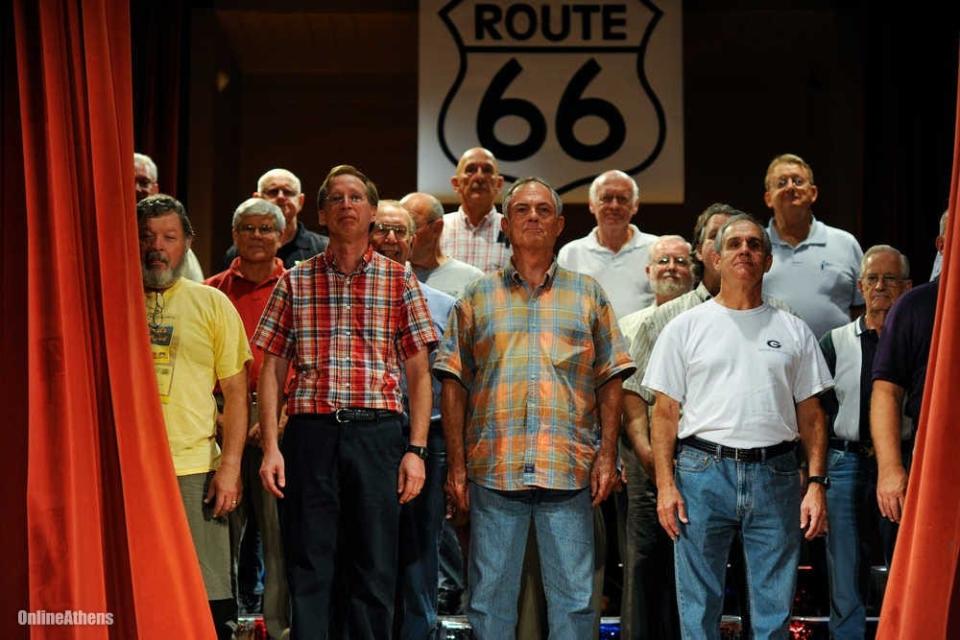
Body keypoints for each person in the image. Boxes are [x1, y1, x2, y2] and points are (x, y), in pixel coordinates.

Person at [434, 177, 635, 639]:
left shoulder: (588, 294)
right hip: (494, 470)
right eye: (522, 210)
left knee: (575, 601)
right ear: (506, 224)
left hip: (567, 471)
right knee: (489, 600)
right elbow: (454, 383)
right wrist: (458, 467)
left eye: (543, 210)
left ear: (560, 224)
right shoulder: (476, 296)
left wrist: (607, 455)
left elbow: (611, 378)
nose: (532, 218)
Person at [253, 165, 438, 639]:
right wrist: (272, 446)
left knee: (374, 566)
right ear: (322, 213)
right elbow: (271, 369)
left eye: (356, 197)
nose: (347, 205)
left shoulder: (400, 281)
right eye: (336, 198)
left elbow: (419, 374)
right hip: (311, 436)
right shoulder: (295, 281)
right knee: (310, 565)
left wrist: (415, 451)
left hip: (378, 436)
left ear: (372, 212)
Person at [644, 214, 832, 640]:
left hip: (777, 473)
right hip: (700, 472)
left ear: (767, 261)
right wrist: (666, 485)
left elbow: (812, 415)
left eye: (754, 245)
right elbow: (664, 413)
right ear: (715, 257)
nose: (744, 251)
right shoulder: (685, 327)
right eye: (734, 245)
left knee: (773, 608)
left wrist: (817, 482)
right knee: (698, 608)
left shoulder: (793, 329)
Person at [139, 194, 251, 639]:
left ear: (187, 241)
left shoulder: (212, 303)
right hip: (130, 470)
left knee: (209, 593)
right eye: (146, 237)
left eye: (168, 237)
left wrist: (229, 468)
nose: (156, 247)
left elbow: (237, 394)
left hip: (194, 469)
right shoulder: (112, 302)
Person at [205, 197, 291, 639]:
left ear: (283, 236)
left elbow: (307, 357)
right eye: (248, 228)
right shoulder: (213, 290)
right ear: (235, 235)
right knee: (222, 530)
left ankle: (277, 628)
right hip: (219, 418)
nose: (257, 237)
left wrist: (280, 415)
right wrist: (222, 417)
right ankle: (219, 625)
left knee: (278, 538)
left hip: (283, 419)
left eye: (266, 229)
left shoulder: (298, 286)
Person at [370, 199, 456, 640]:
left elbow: (459, 382)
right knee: (369, 543)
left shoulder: (443, 305)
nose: (389, 239)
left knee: (422, 547)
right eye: (380, 230)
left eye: (399, 232)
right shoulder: (350, 300)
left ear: (413, 240)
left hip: (430, 437)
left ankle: (418, 633)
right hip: (369, 432)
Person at [818, 245, 911, 639]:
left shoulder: (918, 339)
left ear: (907, 287)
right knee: (844, 570)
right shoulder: (834, 341)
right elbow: (818, 417)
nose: (880, 287)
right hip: (845, 462)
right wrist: (815, 478)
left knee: (904, 564)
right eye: (872, 278)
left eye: (890, 279)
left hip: (902, 463)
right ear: (859, 285)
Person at [617, 235, 694, 640]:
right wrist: (633, 454)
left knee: (691, 558)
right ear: (648, 272)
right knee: (644, 558)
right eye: (662, 261)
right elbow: (619, 399)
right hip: (640, 455)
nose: (671, 268)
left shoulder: (704, 318)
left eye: (680, 261)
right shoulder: (631, 325)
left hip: (695, 455)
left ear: (694, 270)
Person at [871, 212, 948, 535]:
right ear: (942, 244)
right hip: (935, 461)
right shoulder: (914, 306)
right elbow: (887, 391)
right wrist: (889, 469)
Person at [761, 153, 864, 339]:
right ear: (768, 198)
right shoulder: (754, 247)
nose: (791, 187)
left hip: (836, 362)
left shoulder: (846, 244)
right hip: (770, 361)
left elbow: (862, 308)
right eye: (782, 182)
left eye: (798, 181)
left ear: (813, 193)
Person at [557, 170, 659, 318]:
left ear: (635, 205)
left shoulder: (656, 248)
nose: (614, 206)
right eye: (606, 198)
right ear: (591, 205)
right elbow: (563, 308)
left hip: (645, 340)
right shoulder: (571, 253)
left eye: (622, 199)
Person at [223, 168, 329, 269]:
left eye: (288, 192)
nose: (280, 197)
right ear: (257, 199)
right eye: (273, 192)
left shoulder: (323, 249)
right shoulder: (238, 252)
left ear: (300, 201)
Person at [440, 147, 511, 273]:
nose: (479, 177)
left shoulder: (514, 232)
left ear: (499, 184)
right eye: (471, 170)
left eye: (487, 170)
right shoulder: (438, 230)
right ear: (456, 184)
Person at [135, 152, 204, 281]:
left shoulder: (180, 250)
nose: (137, 189)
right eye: (129, 181)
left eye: (144, 182)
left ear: (155, 189)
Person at [401, 191, 483, 298]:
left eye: (411, 227)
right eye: (400, 229)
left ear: (436, 228)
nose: (404, 237)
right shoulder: (392, 274)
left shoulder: (471, 278)